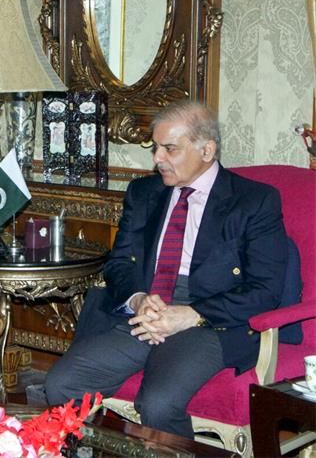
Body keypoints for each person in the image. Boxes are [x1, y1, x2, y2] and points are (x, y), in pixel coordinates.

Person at [45, 100, 289, 438]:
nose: (158, 158)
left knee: (158, 404)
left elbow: (266, 289)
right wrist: (138, 299)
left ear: (207, 150)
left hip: (210, 321)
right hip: (148, 311)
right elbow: (119, 263)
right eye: (156, 147)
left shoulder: (253, 200)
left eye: (169, 148)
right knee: (61, 383)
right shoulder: (144, 192)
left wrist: (191, 315)